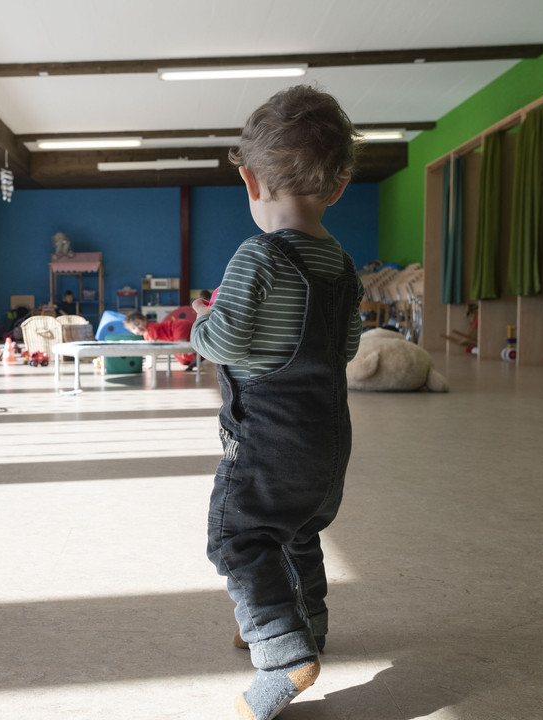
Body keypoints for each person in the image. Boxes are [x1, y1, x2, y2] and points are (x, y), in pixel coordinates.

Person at [189, 84, 364, 720]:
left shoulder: (257, 255)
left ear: (249, 179)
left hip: (266, 444)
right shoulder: (342, 265)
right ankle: (304, 622)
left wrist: (200, 322)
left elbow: (226, 339)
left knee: (240, 538)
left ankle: (284, 654)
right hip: (326, 443)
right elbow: (345, 346)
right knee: (297, 531)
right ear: (338, 187)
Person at [123, 310, 196, 368]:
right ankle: (194, 358)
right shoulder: (146, 334)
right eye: (133, 328)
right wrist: (148, 362)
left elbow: (152, 349)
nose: (137, 328)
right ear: (131, 332)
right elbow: (149, 348)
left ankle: (197, 357)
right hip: (176, 332)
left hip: (178, 326)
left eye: (137, 324)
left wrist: (150, 363)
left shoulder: (151, 329)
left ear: (144, 320)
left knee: (181, 348)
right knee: (182, 361)